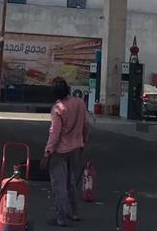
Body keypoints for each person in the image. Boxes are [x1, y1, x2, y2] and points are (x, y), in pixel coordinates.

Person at [40, 77, 89, 227]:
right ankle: (74, 212)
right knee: (70, 181)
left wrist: (47, 152)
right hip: (76, 148)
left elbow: (54, 133)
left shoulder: (58, 108)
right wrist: (83, 141)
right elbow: (86, 124)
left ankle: (61, 217)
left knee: (59, 184)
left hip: (60, 151)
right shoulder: (80, 103)